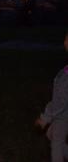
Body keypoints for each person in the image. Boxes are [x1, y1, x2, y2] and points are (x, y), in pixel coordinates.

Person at [34, 32, 68, 162]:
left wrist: (45, 118)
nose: (64, 43)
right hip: (63, 113)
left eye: (67, 39)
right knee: (51, 134)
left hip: (63, 115)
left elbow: (61, 100)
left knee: (56, 145)